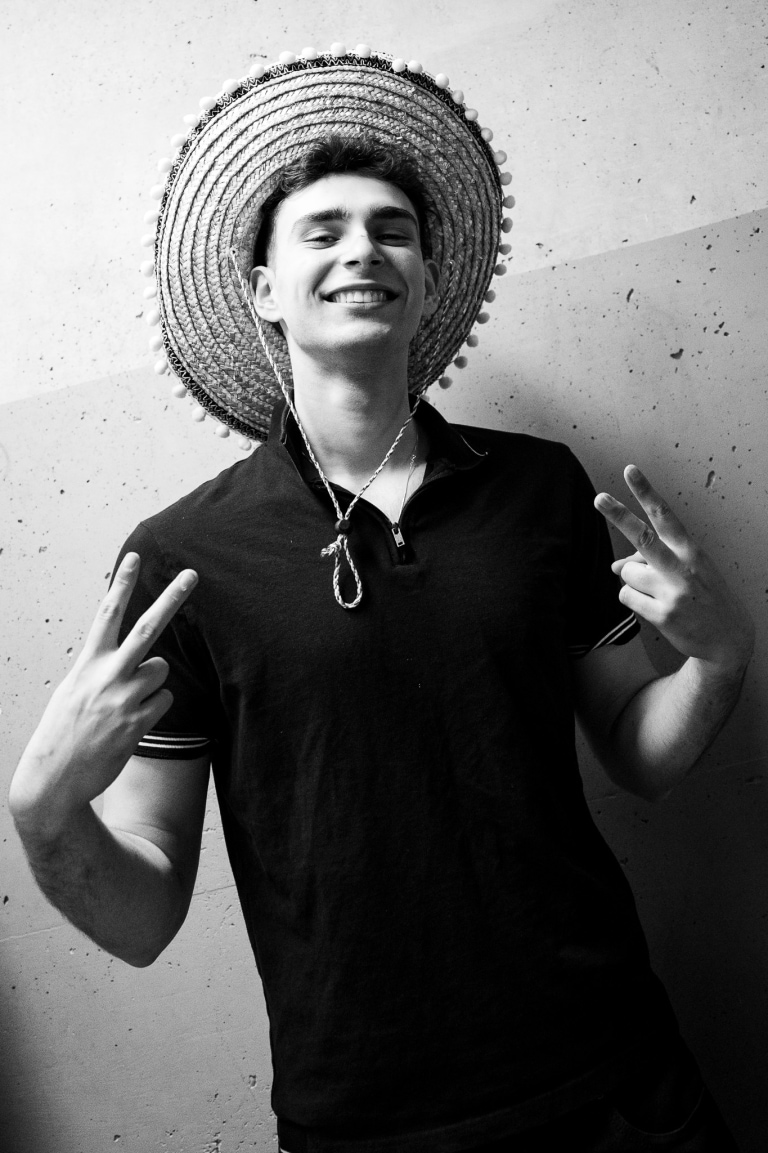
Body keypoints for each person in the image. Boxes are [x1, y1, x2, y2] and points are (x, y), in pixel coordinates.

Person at [9, 47, 754, 1152]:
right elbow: (146, 913)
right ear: (264, 293)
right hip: (368, 1119)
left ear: (426, 281)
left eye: (392, 229)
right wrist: (45, 814)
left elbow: (638, 751)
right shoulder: (179, 558)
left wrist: (719, 656)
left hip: (617, 1077)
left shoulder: (542, 486)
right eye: (323, 231)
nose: (363, 248)